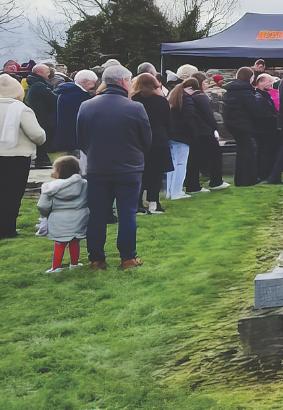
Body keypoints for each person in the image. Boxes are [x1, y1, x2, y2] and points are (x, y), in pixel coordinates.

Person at [77, 65, 151, 270]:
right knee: (127, 213)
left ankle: (96, 259)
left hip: (97, 168)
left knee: (97, 214)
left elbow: (81, 140)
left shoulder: (86, 106)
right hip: (129, 168)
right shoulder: (135, 108)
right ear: (125, 81)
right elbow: (146, 140)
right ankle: (128, 257)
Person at [0, 74, 47, 238]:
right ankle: (8, 229)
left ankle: (0, 228)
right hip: (16, 155)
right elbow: (37, 135)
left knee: (0, 191)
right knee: (14, 193)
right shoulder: (22, 109)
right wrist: (42, 139)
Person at [130, 73, 173, 213]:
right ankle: (154, 203)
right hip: (159, 139)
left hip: (139, 140)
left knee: (141, 172)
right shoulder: (161, 101)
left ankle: (137, 203)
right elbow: (168, 122)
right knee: (157, 173)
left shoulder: (133, 101)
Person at [37, 154, 88, 272]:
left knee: (60, 242)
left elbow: (42, 206)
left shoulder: (49, 188)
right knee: (74, 240)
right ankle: (74, 264)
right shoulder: (83, 184)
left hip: (58, 219)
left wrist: (45, 215)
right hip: (79, 217)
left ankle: (55, 267)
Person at [184, 74, 228, 192]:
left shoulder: (189, 97)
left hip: (196, 131)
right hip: (205, 131)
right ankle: (216, 181)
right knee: (215, 156)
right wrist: (215, 128)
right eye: (204, 82)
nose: (206, 84)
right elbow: (209, 115)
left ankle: (193, 184)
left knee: (194, 159)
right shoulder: (200, 97)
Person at [221, 67, 263, 186]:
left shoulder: (230, 91)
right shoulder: (245, 92)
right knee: (247, 151)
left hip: (232, 124)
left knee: (243, 150)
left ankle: (242, 179)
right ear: (251, 78)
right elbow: (254, 110)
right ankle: (246, 180)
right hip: (243, 125)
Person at [166, 78, 199, 201]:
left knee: (173, 163)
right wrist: (194, 135)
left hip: (172, 135)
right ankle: (177, 191)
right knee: (181, 164)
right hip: (183, 136)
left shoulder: (174, 97)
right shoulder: (187, 99)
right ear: (190, 89)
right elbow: (190, 119)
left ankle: (169, 191)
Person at [53, 70, 97, 163]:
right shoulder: (76, 96)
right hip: (75, 136)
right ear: (88, 82)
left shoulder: (68, 92)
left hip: (67, 134)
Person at [24, 63, 58, 169]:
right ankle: (42, 160)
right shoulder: (39, 85)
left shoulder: (34, 84)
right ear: (41, 73)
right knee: (44, 138)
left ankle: (41, 159)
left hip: (38, 115)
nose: (49, 74)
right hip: (42, 116)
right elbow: (52, 99)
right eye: (47, 72)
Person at [250, 73, 282, 181]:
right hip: (264, 130)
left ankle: (265, 173)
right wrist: (275, 117)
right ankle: (264, 174)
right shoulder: (259, 97)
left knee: (265, 152)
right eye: (269, 82)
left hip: (266, 129)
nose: (271, 84)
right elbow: (263, 114)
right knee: (265, 153)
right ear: (262, 82)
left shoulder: (263, 95)